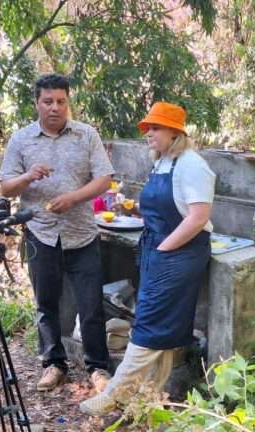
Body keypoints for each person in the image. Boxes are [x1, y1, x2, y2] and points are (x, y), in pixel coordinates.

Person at [80, 102, 215, 415]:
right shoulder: (164, 162)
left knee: (149, 322)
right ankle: (147, 398)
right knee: (163, 325)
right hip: (157, 248)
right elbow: (167, 204)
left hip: (179, 252)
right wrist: (136, 209)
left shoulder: (192, 164)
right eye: (148, 128)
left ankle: (114, 393)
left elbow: (198, 218)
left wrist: (166, 248)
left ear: (174, 132)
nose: (148, 134)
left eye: (154, 128)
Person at [0, 73, 114, 392]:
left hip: (82, 233)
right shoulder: (21, 140)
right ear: (37, 103)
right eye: (48, 101)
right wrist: (27, 177)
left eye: (61, 101)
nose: (55, 107)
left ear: (68, 102)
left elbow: (104, 178)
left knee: (91, 304)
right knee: (45, 303)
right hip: (41, 233)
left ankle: (98, 368)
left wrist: (74, 198)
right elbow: (5, 188)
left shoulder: (86, 134)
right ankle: (53, 364)